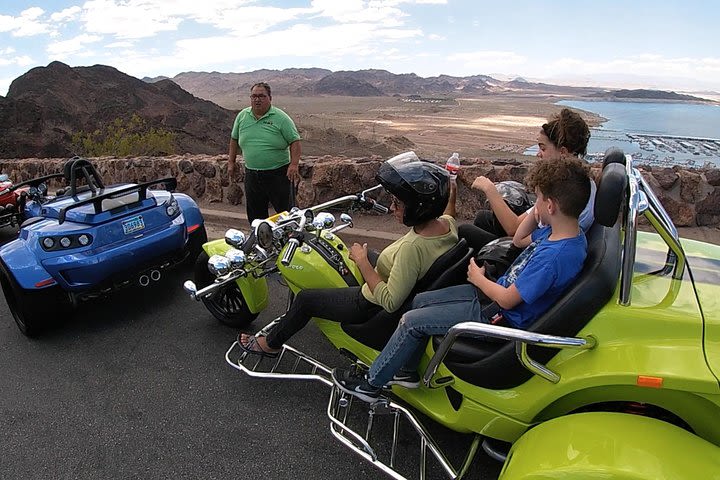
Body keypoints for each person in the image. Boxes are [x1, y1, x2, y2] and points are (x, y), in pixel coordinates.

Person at [332, 156, 591, 402]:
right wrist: (536, 212)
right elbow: (519, 239)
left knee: (411, 321)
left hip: (498, 315)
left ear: (551, 205)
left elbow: (509, 300)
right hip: (491, 299)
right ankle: (406, 371)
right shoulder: (563, 235)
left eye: (538, 197)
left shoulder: (555, 257)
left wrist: (478, 279)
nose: (535, 203)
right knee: (420, 301)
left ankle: (371, 384)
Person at [238, 153, 459, 357]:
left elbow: (390, 302)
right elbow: (449, 212)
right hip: (408, 281)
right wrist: (451, 187)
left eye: (398, 204)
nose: (392, 208)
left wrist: (363, 263)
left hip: (373, 305)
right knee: (362, 253)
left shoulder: (413, 248)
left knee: (306, 300)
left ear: (419, 208)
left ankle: (270, 344)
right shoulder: (447, 226)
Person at [459, 108, 595, 250]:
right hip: (537, 238)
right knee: (483, 218)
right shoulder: (581, 181)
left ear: (563, 152)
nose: (538, 154)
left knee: (465, 231)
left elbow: (514, 229)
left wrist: (489, 189)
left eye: (543, 148)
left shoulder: (561, 189)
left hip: (532, 250)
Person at [228, 82, 302, 223]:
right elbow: (234, 139)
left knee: (286, 215)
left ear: (270, 98)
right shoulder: (242, 116)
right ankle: (261, 243)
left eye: (261, 96)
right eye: (254, 96)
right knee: (256, 218)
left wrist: (294, 164)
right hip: (252, 175)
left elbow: (295, 141)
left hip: (278, 175)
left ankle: (290, 242)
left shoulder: (281, 118)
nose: (257, 99)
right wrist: (231, 161)